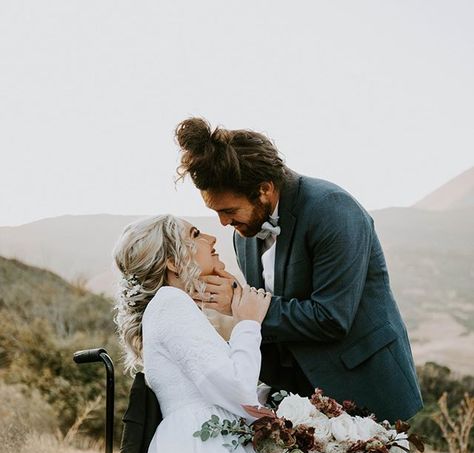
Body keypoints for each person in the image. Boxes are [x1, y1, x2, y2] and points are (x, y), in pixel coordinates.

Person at [113, 214, 402, 453]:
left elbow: (225, 391)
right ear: (171, 260)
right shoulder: (170, 304)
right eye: (195, 234)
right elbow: (237, 389)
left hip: (212, 446)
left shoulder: (174, 306)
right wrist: (248, 322)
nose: (212, 237)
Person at [175, 118, 423, 423]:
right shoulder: (244, 237)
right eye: (216, 213)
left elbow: (332, 317)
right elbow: (276, 318)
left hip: (365, 390)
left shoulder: (332, 209)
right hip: (299, 400)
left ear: (264, 189)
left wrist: (241, 304)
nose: (224, 223)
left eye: (229, 211)